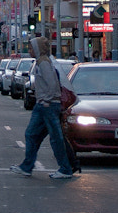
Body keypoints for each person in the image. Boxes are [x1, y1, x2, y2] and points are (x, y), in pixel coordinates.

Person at [11, 36, 77, 180]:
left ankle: (65, 168)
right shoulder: (41, 62)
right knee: (32, 134)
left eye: (31, 48)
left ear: (38, 49)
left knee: (55, 138)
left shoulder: (44, 63)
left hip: (47, 105)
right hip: (43, 105)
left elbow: (52, 84)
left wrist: (46, 100)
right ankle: (27, 166)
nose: (29, 51)